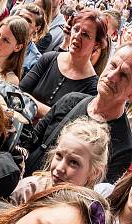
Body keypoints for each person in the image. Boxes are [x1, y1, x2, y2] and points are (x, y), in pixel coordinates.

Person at [21, 42, 132, 184]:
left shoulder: (123, 146)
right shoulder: (71, 100)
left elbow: (92, 195)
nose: (111, 76)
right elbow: (30, 140)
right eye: (113, 65)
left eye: (123, 75)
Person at [20, 9, 103, 117]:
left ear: (96, 45)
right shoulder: (49, 58)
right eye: (76, 29)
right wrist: (51, 113)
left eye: (85, 34)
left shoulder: (92, 88)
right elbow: (20, 92)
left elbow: (68, 123)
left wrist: (32, 104)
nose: (77, 36)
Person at [11, 117, 110, 204]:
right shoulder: (28, 191)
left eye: (74, 162)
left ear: (94, 172)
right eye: (59, 155)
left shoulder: (90, 215)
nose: (59, 168)